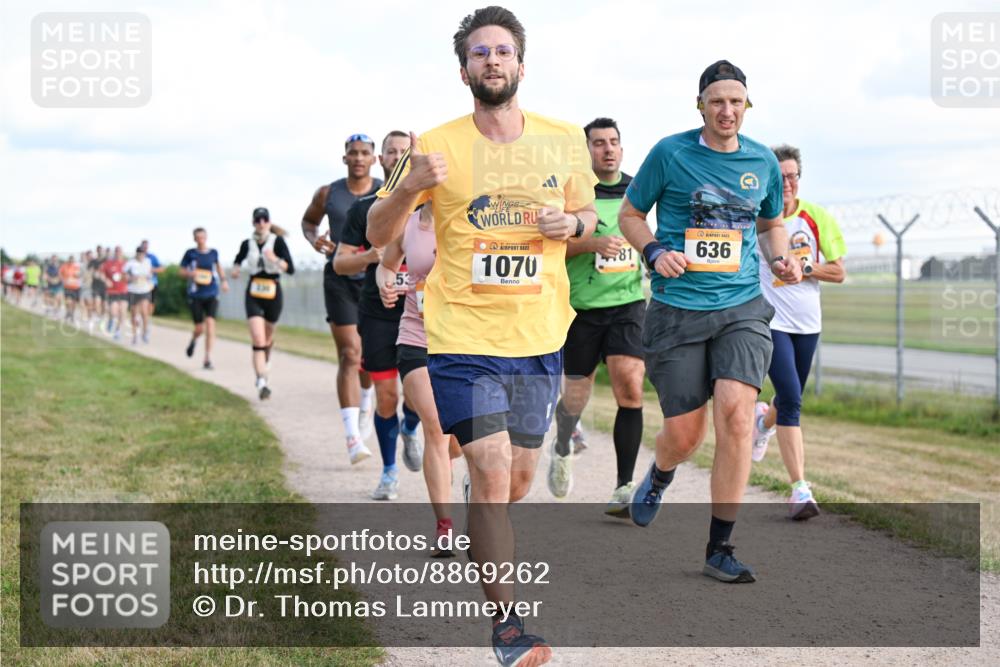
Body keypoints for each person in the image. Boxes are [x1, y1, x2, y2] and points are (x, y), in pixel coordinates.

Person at [367, 7, 598, 664]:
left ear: (521, 64)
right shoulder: (433, 146)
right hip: (460, 338)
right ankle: (508, 626)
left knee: (517, 480)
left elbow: (587, 213)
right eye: (479, 53)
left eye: (502, 51)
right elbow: (380, 233)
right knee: (493, 472)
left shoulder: (564, 140)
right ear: (463, 70)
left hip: (538, 336)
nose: (491, 61)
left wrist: (572, 225)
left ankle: (479, 505)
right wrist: (409, 186)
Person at [619, 60, 801, 584]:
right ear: (700, 105)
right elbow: (630, 215)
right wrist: (654, 251)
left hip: (741, 307)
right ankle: (661, 473)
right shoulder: (670, 153)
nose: (727, 111)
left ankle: (720, 546)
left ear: (747, 106)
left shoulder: (762, 160)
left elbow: (770, 223)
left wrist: (781, 257)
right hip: (677, 309)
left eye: (736, 102)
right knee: (685, 436)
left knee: (738, 417)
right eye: (717, 101)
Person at [547, 117, 646, 518]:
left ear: (621, 147)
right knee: (575, 397)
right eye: (599, 143)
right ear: (585, 150)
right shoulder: (574, 193)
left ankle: (624, 487)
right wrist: (592, 244)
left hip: (628, 304)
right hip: (581, 309)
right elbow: (552, 248)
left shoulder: (639, 190)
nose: (608, 149)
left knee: (631, 387)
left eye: (613, 142)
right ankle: (562, 446)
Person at [751, 144, 847, 520]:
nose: (787, 183)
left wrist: (804, 268)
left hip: (808, 323)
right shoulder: (758, 218)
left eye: (793, 176)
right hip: (771, 320)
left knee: (789, 398)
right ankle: (800, 489)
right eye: (781, 176)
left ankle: (763, 422)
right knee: (791, 398)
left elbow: (838, 271)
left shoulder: (816, 217)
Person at [334, 132, 424, 480]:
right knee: (386, 397)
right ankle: (389, 473)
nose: (398, 157)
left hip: (421, 314)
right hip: (378, 314)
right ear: (381, 160)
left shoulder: (432, 205)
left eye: (405, 152)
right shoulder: (364, 210)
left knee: (417, 396)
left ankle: (410, 428)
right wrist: (372, 257)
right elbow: (340, 263)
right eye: (391, 152)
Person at [376, 202, 464, 554]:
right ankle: (445, 527)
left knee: (459, 440)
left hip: (463, 341)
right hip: (416, 338)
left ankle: (456, 473)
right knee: (436, 427)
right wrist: (386, 284)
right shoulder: (407, 225)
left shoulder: (470, 218)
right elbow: (386, 265)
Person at [302, 134, 382, 458]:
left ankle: (366, 400)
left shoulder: (385, 191)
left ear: (374, 159)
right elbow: (309, 222)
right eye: (353, 153)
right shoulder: (328, 193)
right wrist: (314, 240)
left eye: (364, 153)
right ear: (345, 158)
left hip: (374, 278)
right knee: (349, 353)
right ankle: (352, 438)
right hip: (339, 278)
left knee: (369, 356)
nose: (359, 158)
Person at [232, 207, 295, 400]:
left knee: (267, 338)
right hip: (253, 292)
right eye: (257, 220)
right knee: (258, 339)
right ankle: (261, 381)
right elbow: (238, 260)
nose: (261, 223)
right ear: (253, 222)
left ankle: (266, 359)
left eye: (264, 219)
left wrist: (274, 259)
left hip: (273, 292)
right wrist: (235, 269)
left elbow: (290, 268)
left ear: (269, 222)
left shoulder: (278, 242)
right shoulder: (247, 243)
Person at [180, 227, 230, 370]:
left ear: (206, 237)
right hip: (196, 294)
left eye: (202, 237)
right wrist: (190, 274)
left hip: (212, 293)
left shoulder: (213, 253)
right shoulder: (190, 253)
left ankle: (207, 358)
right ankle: (194, 340)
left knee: (210, 323)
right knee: (199, 328)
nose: (200, 240)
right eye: (198, 238)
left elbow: (219, 267)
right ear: (194, 239)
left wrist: (224, 281)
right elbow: (181, 271)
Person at [125, 246, 155, 344]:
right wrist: (131, 278)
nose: (141, 255)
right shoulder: (130, 263)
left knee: (144, 312)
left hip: (144, 290)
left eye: (143, 254)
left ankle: (145, 333)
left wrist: (149, 280)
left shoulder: (148, 262)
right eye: (139, 254)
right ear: (136, 254)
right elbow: (124, 275)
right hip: (133, 290)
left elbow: (150, 274)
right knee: (134, 314)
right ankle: (135, 336)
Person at [102, 246, 129, 339]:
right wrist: (106, 280)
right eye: (117, 251)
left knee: (123, 311)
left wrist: (127, 278)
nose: (118, 253)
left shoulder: (126, 264)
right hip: (112, 291)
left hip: (123, 291)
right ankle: (111, 320)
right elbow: (102, 274)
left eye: (120, 251)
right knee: (114, 312)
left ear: (122, 253)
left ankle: (118, 331)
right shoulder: (108, 263)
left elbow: (131, 275)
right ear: (115, 252)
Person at [139, 240, 163, 314]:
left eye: (146, 246)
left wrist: (151, 270)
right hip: (139, 283)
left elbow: (161, 268)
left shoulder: (152, 257)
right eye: (144, 246)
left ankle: (148, 317)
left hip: (152, 283)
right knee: (140, 301)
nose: (145, 247)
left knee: (151, 301)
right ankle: (140, 316)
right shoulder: (137, 257)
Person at [59, 254, 83, 323]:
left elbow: (79, 275)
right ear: (68, 260)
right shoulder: (64, 266)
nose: (71, 262)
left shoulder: (76, 267)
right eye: (70, 260)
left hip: (75, 287)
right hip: (67, 286)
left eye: (72, 261)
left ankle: (72, 314)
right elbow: (60, 274)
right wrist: (63, 280)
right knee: (68, 301)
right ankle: (68, 312)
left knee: (74, 302)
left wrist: (78, 275)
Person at [89, 247, 107, 323]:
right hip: (95, 285)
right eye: (98, 251)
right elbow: (89, 271)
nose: (100, 252)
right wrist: (93, 273)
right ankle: (98, 316)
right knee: (96, 302)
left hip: (104, 285)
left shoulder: (106, 260)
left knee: (104, 304)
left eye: (101, 250)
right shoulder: (93, 261)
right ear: (97, 251)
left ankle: (102, 317)